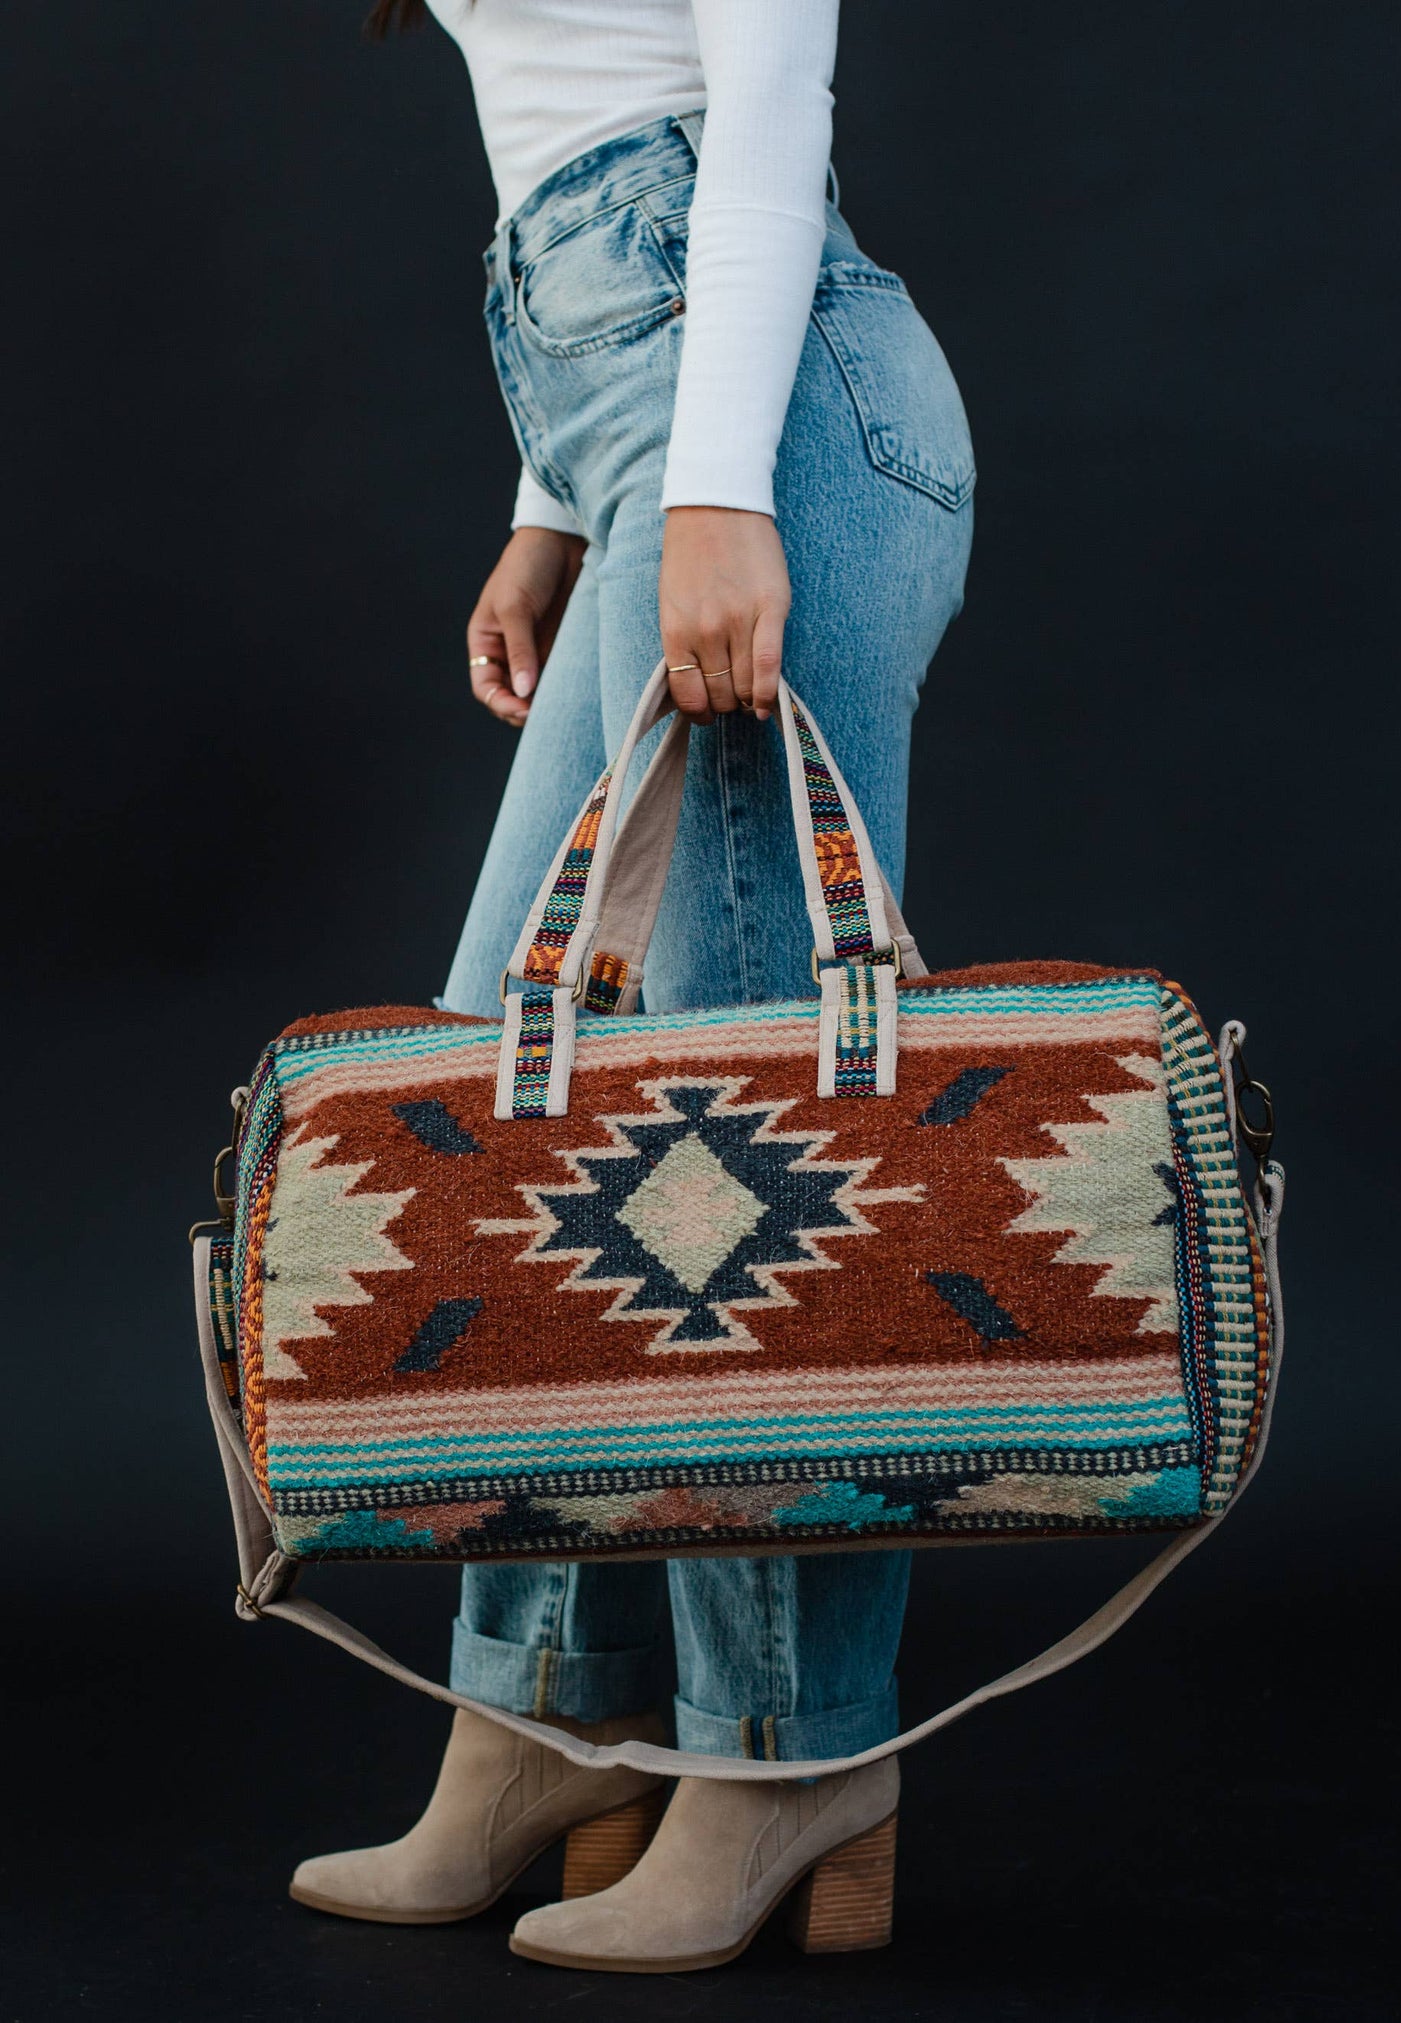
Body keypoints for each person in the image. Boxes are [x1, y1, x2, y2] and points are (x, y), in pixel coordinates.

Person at [289, 0, 974, 1973]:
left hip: (768, 419)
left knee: (744, 1152)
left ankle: (791, 1755)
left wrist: (716, 496)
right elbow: (572, 111)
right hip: (641, 425)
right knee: (530, 1103)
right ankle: (540, 1730)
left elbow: (759, 106)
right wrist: (556, 507)